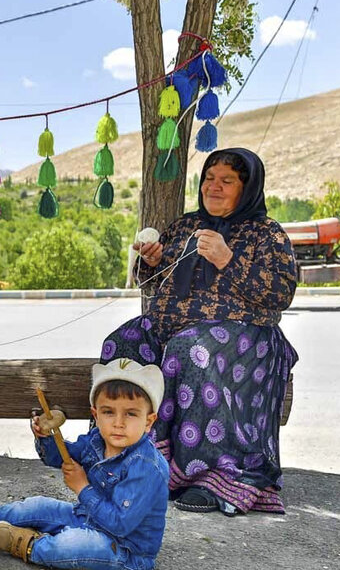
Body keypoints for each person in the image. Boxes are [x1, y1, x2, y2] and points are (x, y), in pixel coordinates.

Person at [104, 147, 298, 516]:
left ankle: (207, 476)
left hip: (246, 336)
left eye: (227, 181)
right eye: (209, 179)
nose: (214, 187)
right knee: (123, 342)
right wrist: (152, 262)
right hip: (176, 328)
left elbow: (281, 294)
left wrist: (228, 259)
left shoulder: (266, 233)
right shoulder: (184, 226)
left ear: (248, 187)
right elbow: (153, 284)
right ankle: (130, 456)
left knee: (190, 350)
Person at [0, 358, 169, 570]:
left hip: (123, 549)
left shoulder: (146, 466)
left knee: (73, 545)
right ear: (96, 415)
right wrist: (45, 437)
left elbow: (120, 524)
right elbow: (61, 457)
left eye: (131, 413)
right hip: (85, 516)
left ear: (149, 421)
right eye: (109, 412)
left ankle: (29, 544)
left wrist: (82, 487)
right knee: (36, 506)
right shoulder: (96, 439)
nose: (118, 423)